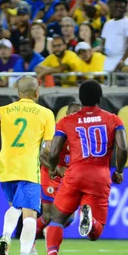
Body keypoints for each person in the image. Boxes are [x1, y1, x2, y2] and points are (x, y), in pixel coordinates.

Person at [43, 80, 128, 255]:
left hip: (74, 174)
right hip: (99, 176)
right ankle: (90, 222)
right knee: (96, 233)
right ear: (100, 98)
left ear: (80, 99)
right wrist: (120, 171)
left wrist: (54, 167)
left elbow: (54, 150)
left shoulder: (66, 121)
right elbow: (123, 148)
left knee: (57, 218)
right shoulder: (113, 119)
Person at [0, 76, 56, 255]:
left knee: (15, 207)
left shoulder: (5, 110)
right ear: (37, 93)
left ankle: (6, 235)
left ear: (18, 93)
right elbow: (48, 149)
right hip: (29, 169)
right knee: (30, 214)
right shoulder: (46, 113)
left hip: (5, 168)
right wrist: (53, 167)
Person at [36, 101, 82, 239]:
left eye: (79, 115)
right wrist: (55, 167)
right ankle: (30, 241)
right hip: (51, 174)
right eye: (73, 114)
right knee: (48, 215)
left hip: (68, 177)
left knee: (69, 217)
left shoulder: (81, 133)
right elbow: (42, 155)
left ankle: (49, 231)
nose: (76, 118)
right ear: (67, 115)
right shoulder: (57, 131)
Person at [101, 0, 128, 71]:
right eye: (116, 7)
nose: (118, 9)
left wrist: (122, 60)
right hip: (108, 61)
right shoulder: (107, 24)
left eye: (121, 7)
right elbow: (103, 42)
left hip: (122, 60)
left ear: (125, 9)